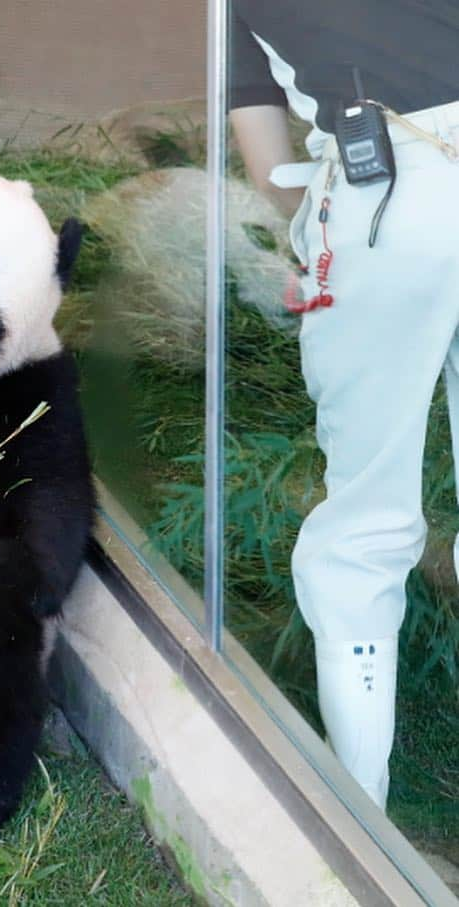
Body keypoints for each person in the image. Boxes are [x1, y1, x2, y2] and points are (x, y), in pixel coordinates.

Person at [228, 1, 459, 809]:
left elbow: (263, 160)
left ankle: (359, 825)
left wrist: (309, 230)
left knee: (362, 530)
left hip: (384, 192)